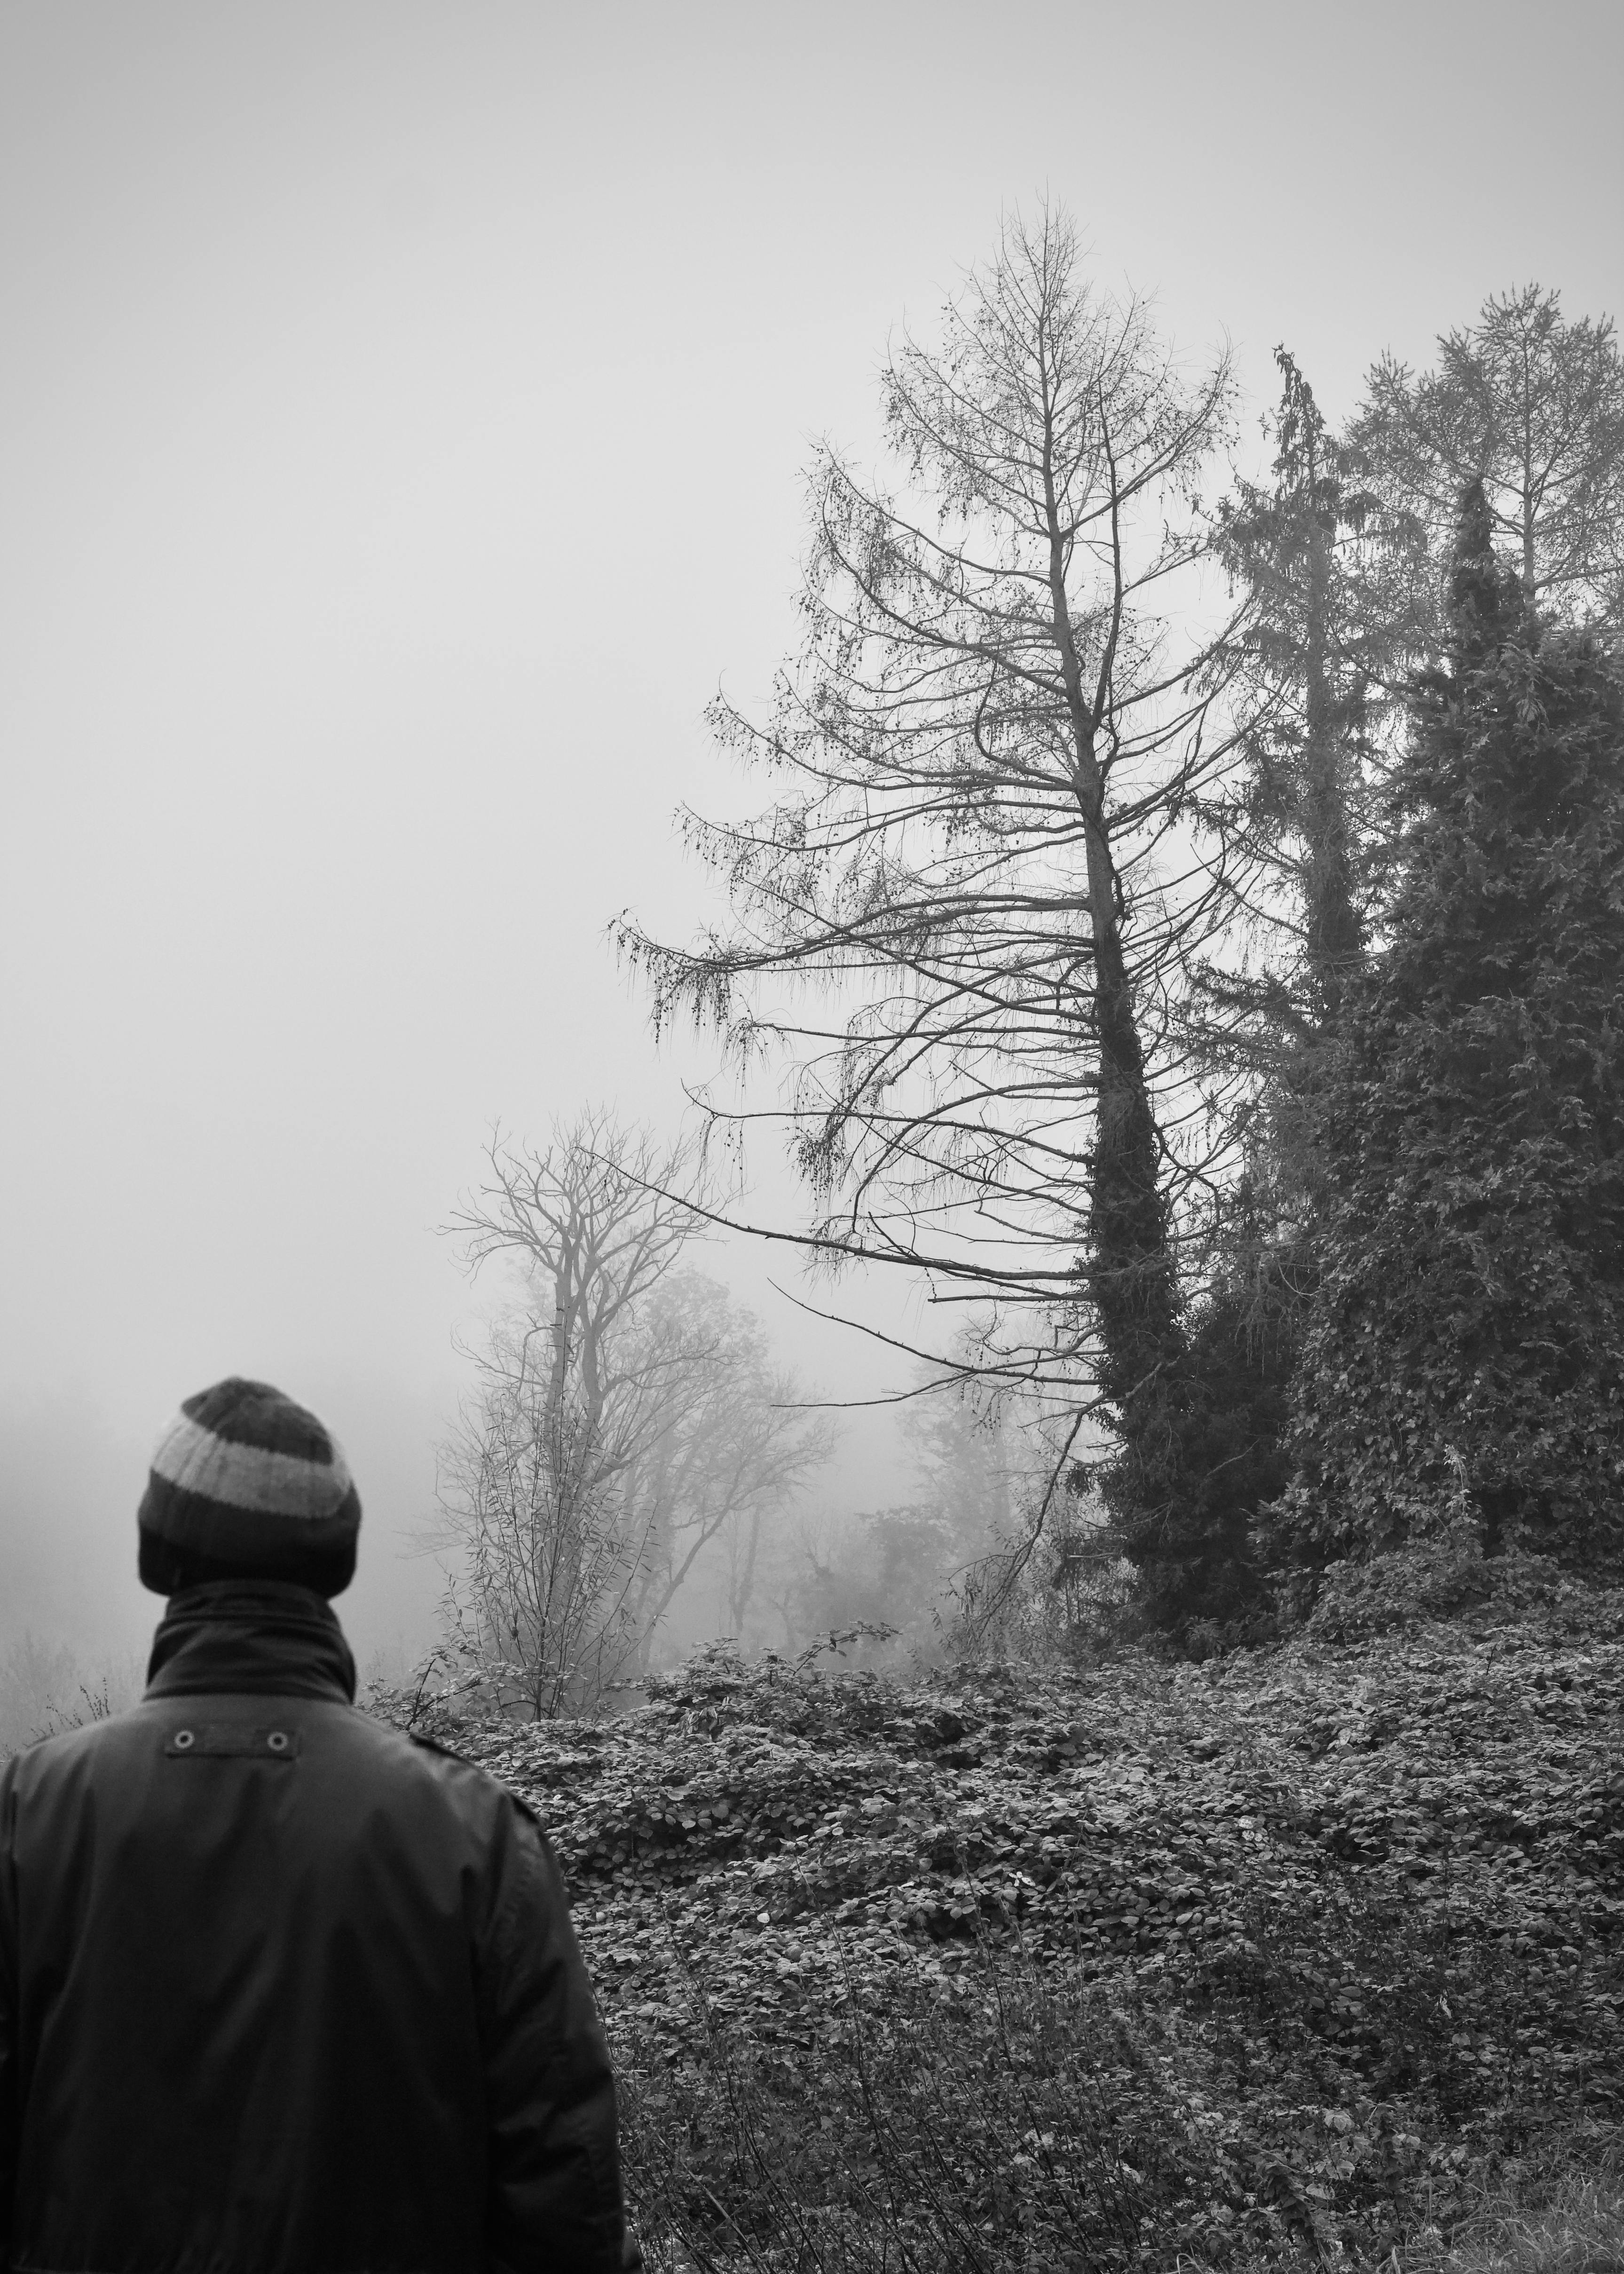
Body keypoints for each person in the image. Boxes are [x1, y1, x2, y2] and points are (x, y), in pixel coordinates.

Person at [0, 1375, 639, 2272]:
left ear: (157, 1551)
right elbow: (561, 2202)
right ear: (334, 1561)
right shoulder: (472, 1835)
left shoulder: (30, 1814)